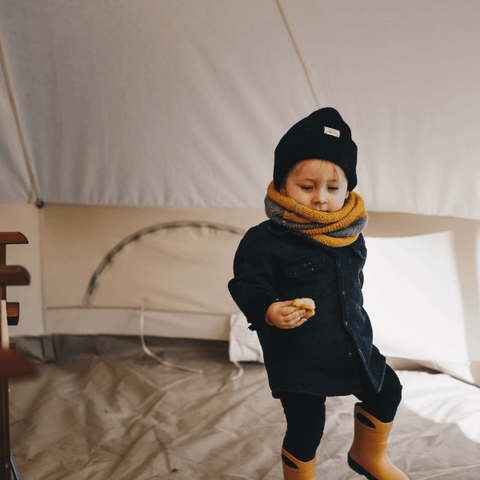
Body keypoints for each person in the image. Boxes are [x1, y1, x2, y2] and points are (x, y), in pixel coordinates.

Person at [228, 108, 408, 480]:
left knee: (388, 390)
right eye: (307, 187)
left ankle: (367, 456)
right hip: (298, 356)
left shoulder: (349, 234)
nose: (321, 199)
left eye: (333, 188)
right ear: (282, 184)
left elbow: (351, 291)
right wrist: (268, 309)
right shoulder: (263, 242)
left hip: (351, 343)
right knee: (306, 426)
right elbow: (246, 285)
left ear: (348, 189)